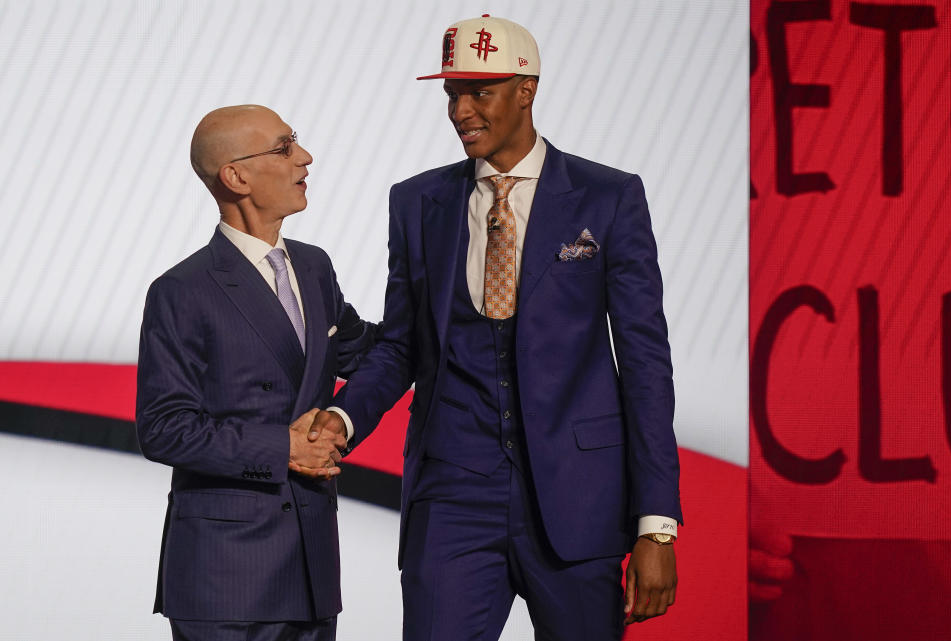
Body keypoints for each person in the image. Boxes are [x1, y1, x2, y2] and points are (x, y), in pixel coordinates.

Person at [308, 14, 682, 640]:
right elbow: (402, 344)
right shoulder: (417, 201)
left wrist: (656, 524)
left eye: (479, 92)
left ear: (526, 89)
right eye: (451, 93)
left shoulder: (608, 196)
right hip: (452, 495)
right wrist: (345, 418)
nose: (460, 110)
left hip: (577, 498)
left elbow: (646, 363)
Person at [136, 104, 375, 641]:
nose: (305, 158)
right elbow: (163, 428)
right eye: (284, 147)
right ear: (236, 176)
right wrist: (282, 448)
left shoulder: (314, 268)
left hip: (311, 566)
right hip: (225, 578)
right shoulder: (181, 291)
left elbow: (367, 353)